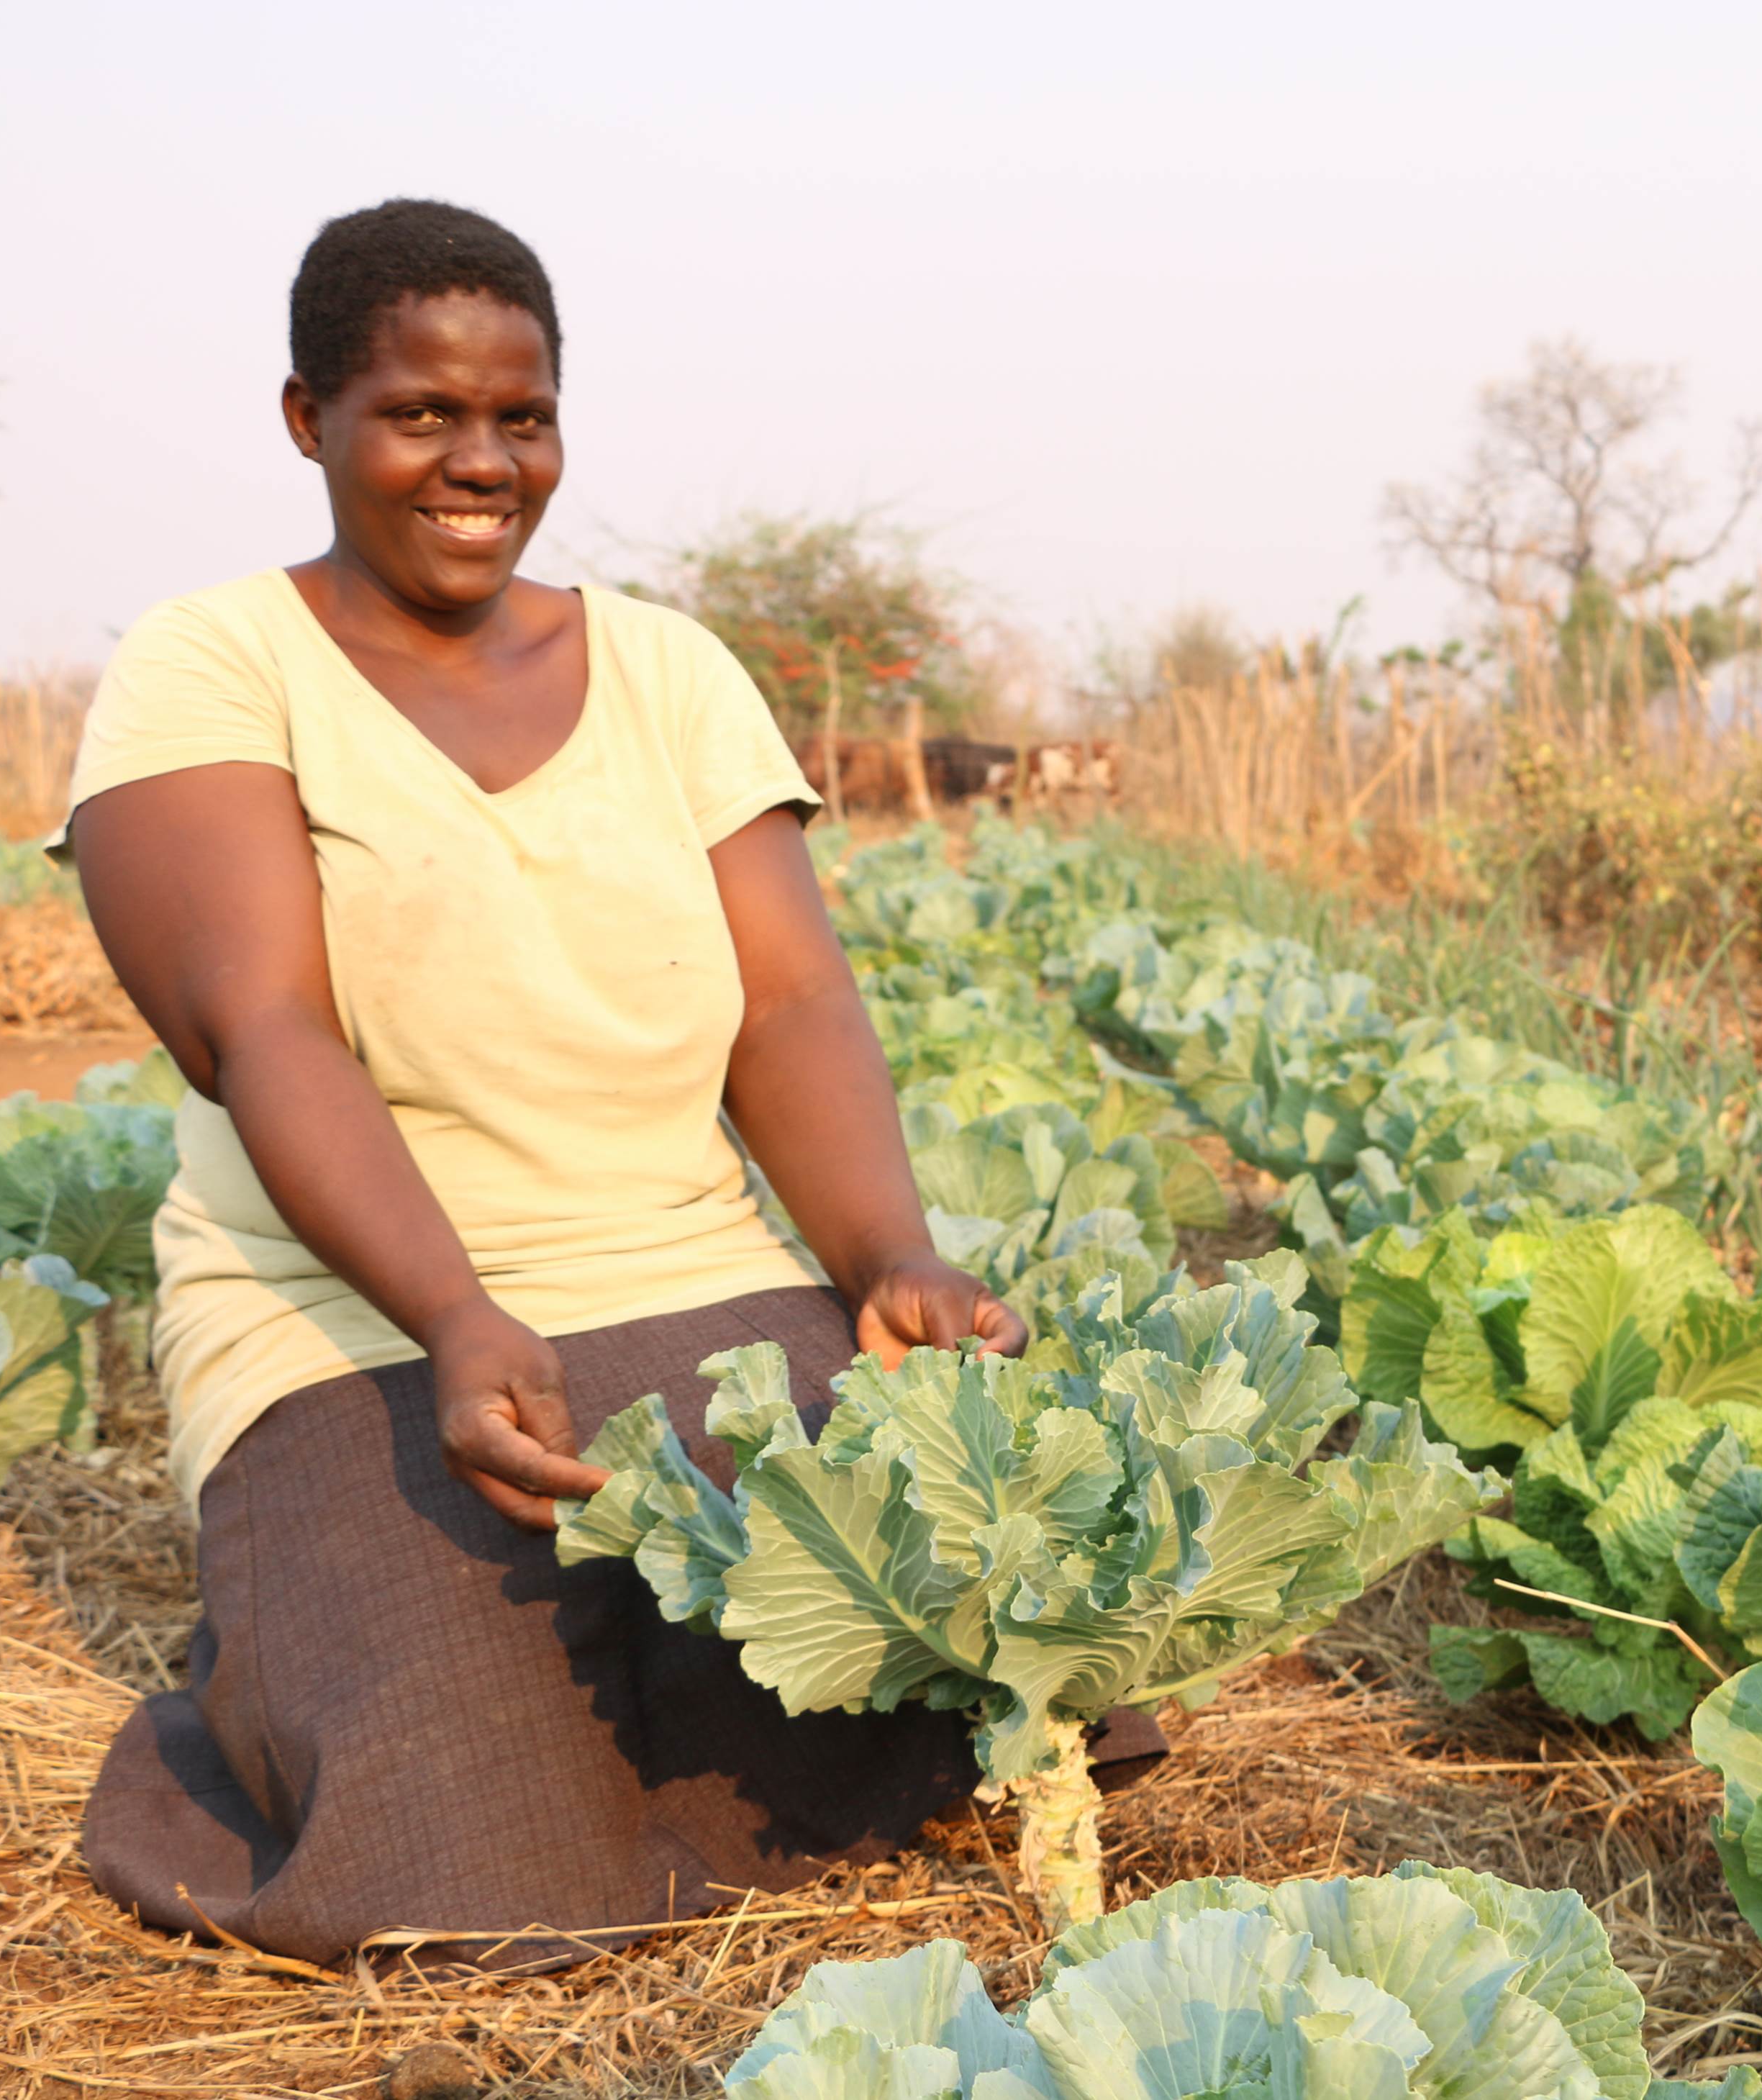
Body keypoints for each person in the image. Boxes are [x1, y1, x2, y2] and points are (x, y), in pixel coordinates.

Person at [63, 200, 1145, 1970]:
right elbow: (263, 1026)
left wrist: (887, 1252)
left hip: (691, 1280)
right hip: (361, 1318)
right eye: (420, 414)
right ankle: (293, 1698)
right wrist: (454, 1308)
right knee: (467, 1861)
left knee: (950, 1673)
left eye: (524, 417)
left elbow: (788, 999)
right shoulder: (216, 660)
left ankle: (602, 1720)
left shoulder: (667, 669)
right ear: (305, 418)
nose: (480, 462)